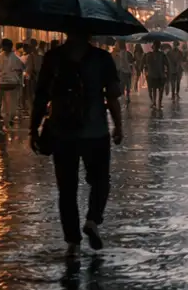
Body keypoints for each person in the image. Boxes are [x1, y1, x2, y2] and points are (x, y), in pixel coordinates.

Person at [31, 27, 124, 251]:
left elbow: (41, 95)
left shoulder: (53, 57)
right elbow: (112, 96)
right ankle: (92, 220)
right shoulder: (102, 58)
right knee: (100, 181)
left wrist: (33, 128)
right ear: (90, 33)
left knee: (67, 188)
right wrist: (119, 126)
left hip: (62, 132)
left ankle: (72, 240)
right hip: (96, 131)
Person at [0, 37, 26, 129]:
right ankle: (7, 121)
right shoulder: (15, 58)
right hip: (8, 83)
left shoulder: (1, 57)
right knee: (8, 104)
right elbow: (21, 69)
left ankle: (7, 121)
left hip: (7, 83)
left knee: (7, 104)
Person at [144, 41, 170, 112]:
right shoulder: (150, 55)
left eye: (155, 45)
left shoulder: (162, 55)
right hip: (154, 75)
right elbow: (147, 64)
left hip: (160, 75)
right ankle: (155, 102)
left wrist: (167, 73)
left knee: (160, 90)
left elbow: (167, 64)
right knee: (155, 90)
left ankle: (159, 103)